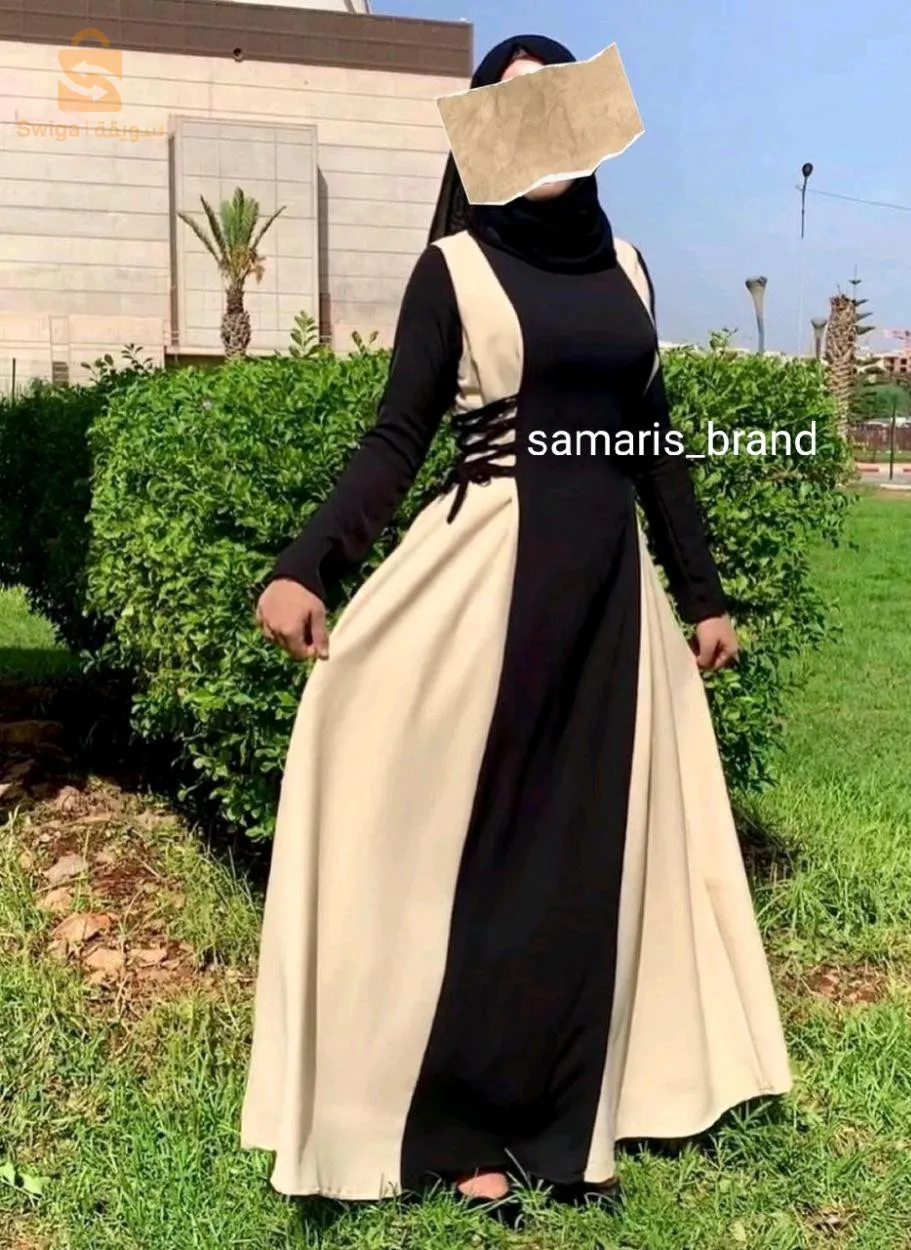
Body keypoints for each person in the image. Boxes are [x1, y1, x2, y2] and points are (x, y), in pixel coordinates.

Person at [240, 34, 791, 1211]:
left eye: (556, 100)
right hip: (485, 592)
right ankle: (463, 1128)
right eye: (512, 105)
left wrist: (702, 591)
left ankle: (571, 1120)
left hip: (613, 605)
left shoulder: (629, 267)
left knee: (587, 861)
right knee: (483, 855)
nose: (538, 124)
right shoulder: (454, 269)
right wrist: (305, 565)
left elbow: (652, 442)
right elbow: (397, 437)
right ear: (480, 133)